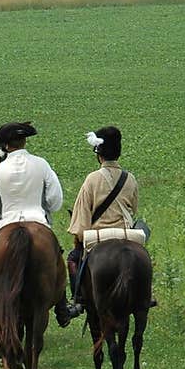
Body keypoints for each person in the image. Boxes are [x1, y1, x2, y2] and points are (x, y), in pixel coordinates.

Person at [0, 121, 83, 328]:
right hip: (38, 220)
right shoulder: (42, 164)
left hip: (6, 222)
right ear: (25, 141)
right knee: (55, 259)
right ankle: (62, 309)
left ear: (6, 145)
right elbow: (55, 201)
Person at [67, 126, 151, 299]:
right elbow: (133, 209)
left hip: (97, 236)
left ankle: (78, 299)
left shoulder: (92, 179)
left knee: (72, 258)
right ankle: (146, 295)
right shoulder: (130, 178)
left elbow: (82, 216)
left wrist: (79, 236)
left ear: (99, 155)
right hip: (126, 235)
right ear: (118, 153)